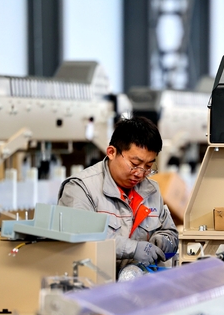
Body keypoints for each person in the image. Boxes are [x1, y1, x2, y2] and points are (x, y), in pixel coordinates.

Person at [58, 116, 179, 274]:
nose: (140, 173)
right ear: (111, 152)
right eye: (134, 164)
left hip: (138, 284)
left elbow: (170, 232)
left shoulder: (151, 190)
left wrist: (164, 240)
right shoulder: (81, 188)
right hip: (95, 285)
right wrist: (133, 248)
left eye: (148, 166)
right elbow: (80, 237)